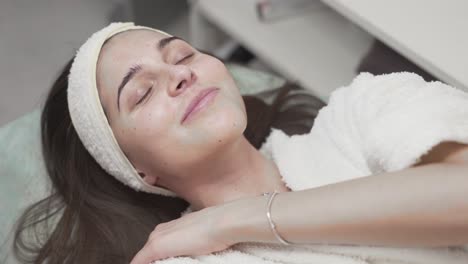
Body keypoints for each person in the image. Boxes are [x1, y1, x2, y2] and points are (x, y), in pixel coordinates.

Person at [14, 22, 468, 264]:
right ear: (136, 170)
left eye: (182, 54)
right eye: (142, 92)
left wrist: (236, 220)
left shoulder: (363, 107)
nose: (179, 75)